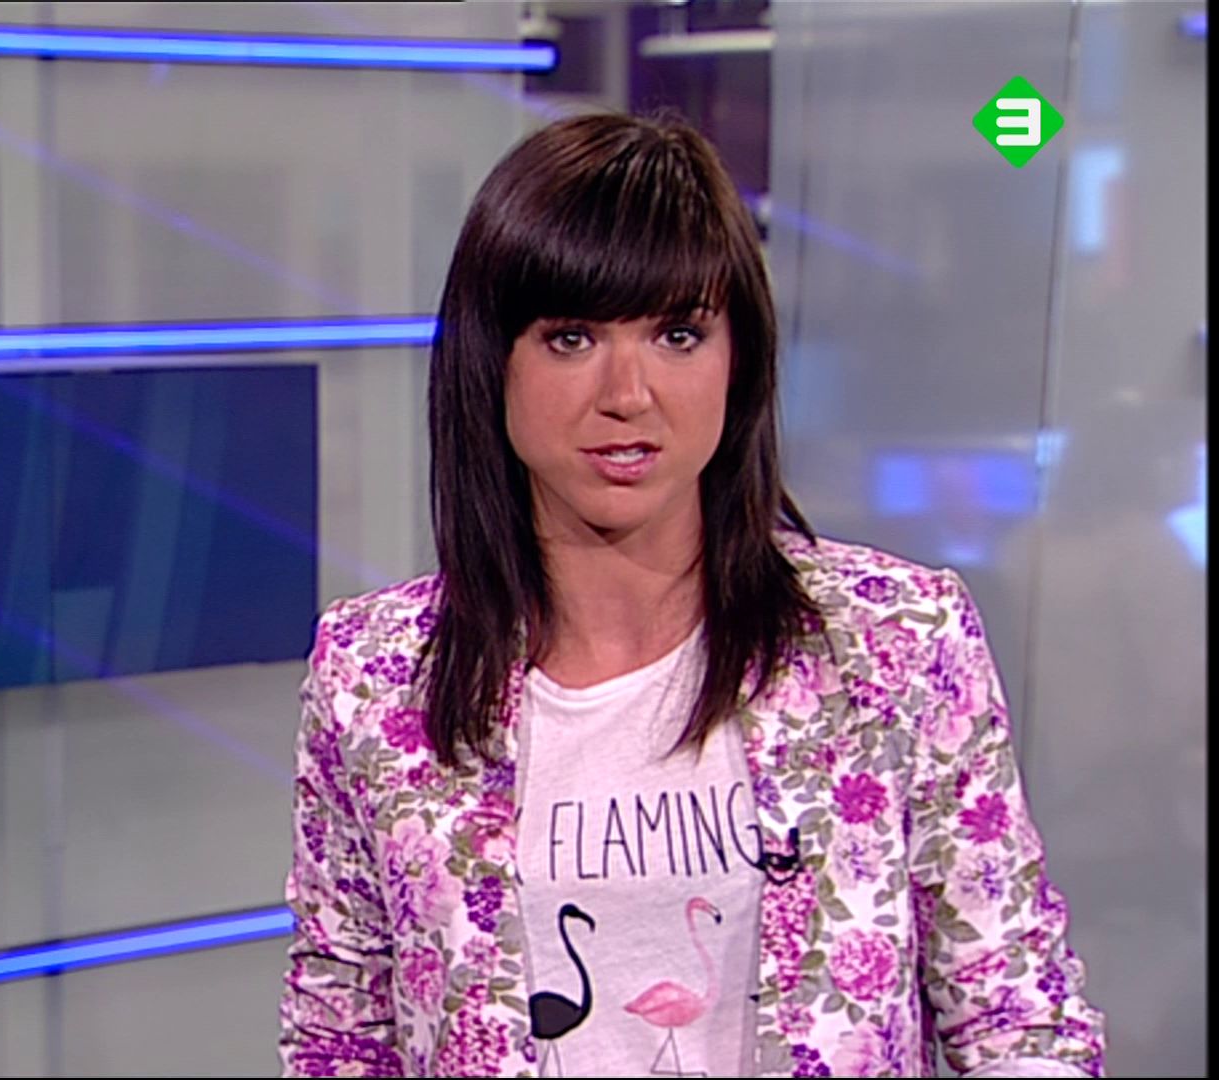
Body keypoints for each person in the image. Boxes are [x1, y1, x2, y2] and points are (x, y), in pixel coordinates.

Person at [277, 111, 1106, 1078]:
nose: (628, 393)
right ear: (491, 362)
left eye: (678, 334)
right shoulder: (376, 676)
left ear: (738, 359)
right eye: (571, 337)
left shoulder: (897, 640)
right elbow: (340, 1040)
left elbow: (1021, 1024)